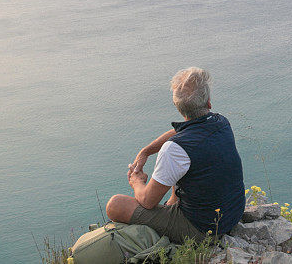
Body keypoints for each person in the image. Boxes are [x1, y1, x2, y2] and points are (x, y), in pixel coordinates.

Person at [105, 67, 245, 243]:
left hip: (203, 229)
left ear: (178, 108)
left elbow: (148, 201)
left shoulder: (175, 149)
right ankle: (171, 207)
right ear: (208, 102)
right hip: (232, 213)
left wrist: (137, 182)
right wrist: (146, 151)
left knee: (115, 205)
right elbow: (180, 132)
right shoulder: (221, 122)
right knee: (181, 168)